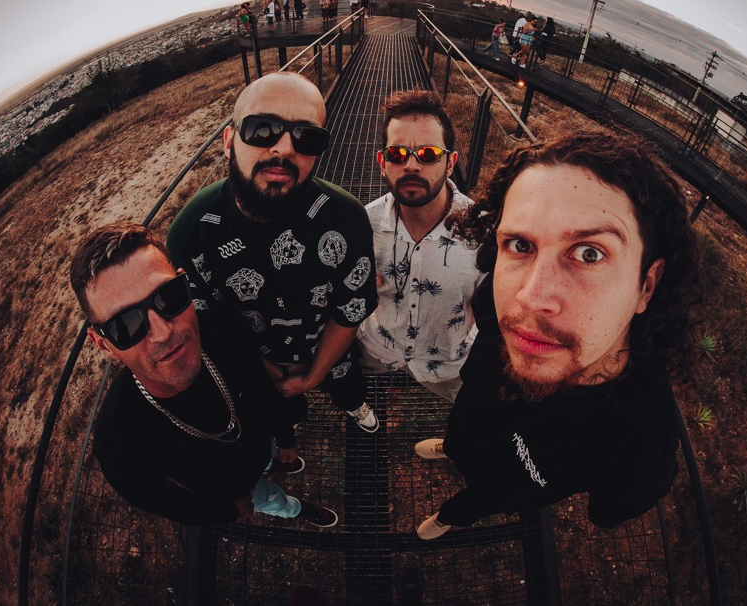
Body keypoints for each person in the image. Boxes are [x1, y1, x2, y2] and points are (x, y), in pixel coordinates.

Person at [414, 126, 701, 539]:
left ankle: (449, 517)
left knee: (477, 501)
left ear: (646, 286)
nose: (530, 297)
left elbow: (608, 511)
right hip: (467, 425)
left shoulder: (641, 444)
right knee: (461, 437)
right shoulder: (499, 298)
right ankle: (451, 448)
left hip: (499, 491)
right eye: (520, 245)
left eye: (589, 253)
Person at [70, 221, 338, 528]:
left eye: (169, 296)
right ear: (103, 344)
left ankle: (276, 462)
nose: (163, 332)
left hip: (262, 444)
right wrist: (226, 511)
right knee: (272, 501)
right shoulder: (119, 446)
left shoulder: (223, 328)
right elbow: (165, 501)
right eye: (125, 325)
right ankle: (296, 509)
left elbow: (263, 390)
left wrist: (285, 438)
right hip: (235, 489)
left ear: (184, 284)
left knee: (267, 458)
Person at [167, 72, 380, 436]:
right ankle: (289, 424)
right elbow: (209, 323)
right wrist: (264, 368)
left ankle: (352, 403)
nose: (284, 149)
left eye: (307, 137)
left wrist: (314, 375)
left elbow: (350, 310)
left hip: (329, 349)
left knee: (347, 384)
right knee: (279, 405)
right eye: (263, 129)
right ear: (229, 140)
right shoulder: (192, 234)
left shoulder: (346, 220)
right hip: (252, 359)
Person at [357, 90, 484, 402]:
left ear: (450, 163)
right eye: (397, 154)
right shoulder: (362, 225)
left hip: (449, 366)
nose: (411, 165)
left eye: (427, 154)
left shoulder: (484, 233)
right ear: (382, 163)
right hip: (377, 349)